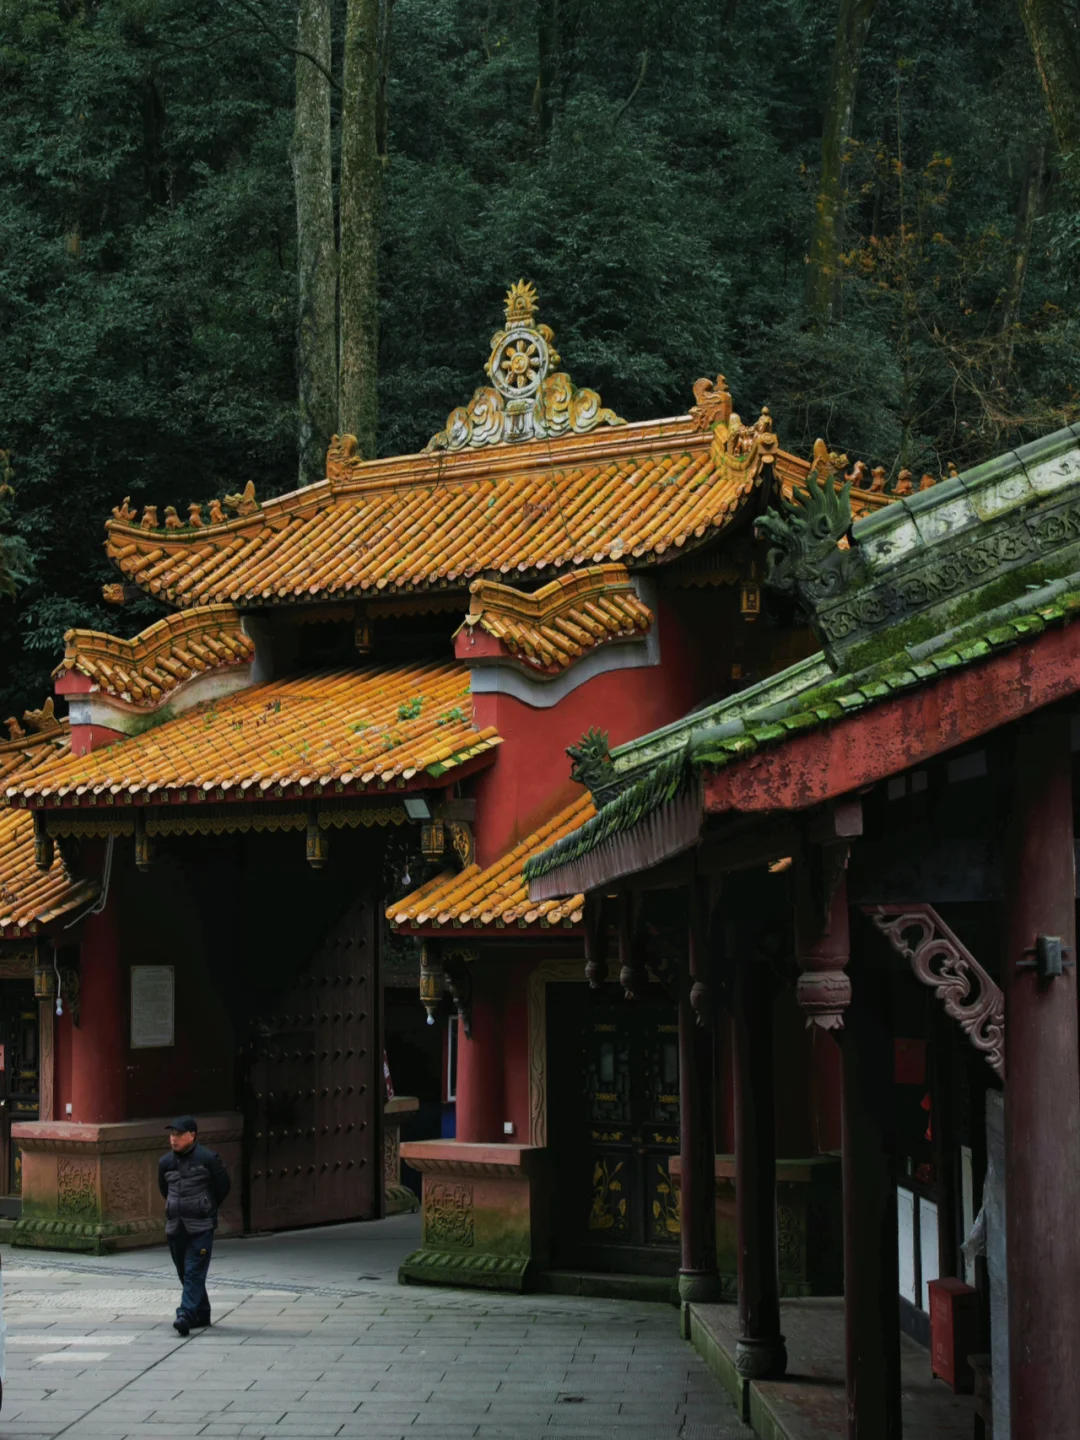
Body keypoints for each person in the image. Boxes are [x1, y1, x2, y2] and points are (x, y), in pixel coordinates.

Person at [157, 1115, 231, 1337]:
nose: (174, 1139)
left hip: (201, 1226)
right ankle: (202, 1313)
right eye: (172, 1134)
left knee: (193, 1271)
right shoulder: (165, 1163)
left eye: (179, 1134)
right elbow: (164, 1189)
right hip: (175, 1226)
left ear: (193, 1135)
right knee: (184, 1271)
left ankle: (185, 1314)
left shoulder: (208, 1158)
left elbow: (223, 1186)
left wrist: (206, 1206)